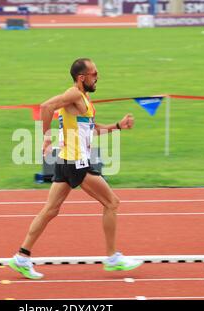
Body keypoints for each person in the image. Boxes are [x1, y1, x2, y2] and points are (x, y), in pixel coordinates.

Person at [8, 58, 142, 279]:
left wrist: (118, 126)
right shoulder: (74, 94)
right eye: (94, 73)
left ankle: (22, 257)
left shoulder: (84, 100)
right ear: (82, 78)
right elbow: (45, 106)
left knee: (50, 210)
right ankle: (112, 258)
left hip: (65, 160)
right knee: (112, 202)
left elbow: (92, 130)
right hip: (76, 162)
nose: (98, 76)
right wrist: (46, 137)